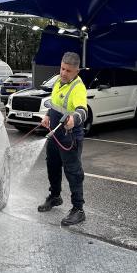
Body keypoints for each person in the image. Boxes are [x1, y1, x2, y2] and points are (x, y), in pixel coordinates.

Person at [39, 52, 88, 226]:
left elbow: (83, 110)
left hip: (70, 136)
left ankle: (78, 209)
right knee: (52, 165)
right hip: (55, 133)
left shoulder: (78, 88)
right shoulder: (59, 82)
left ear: (76, 71)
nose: (63, 73)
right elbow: (54, 104)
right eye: (62, 68)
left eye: (68, 70)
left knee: (73, 172)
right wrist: (47, 116)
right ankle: (55, 196)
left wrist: (74, 119)